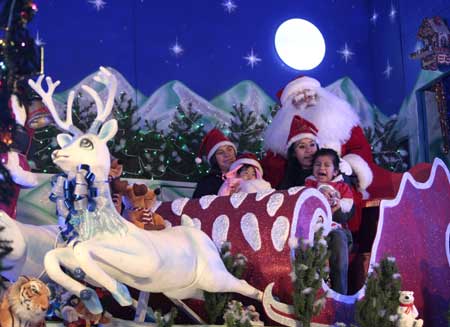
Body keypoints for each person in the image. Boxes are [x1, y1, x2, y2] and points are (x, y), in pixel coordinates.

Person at [262, 76, 373, 197]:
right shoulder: (282, 135)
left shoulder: (343, 122)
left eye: (310, 95)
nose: (307, 100)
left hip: (340, 186)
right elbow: (272, 170)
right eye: (300, 99)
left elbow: (360, 148)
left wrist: (349, 164)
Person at [278, 117, 353, 295]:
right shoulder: (293, 178)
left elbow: (349, 210)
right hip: (304, 232)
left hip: (335, 229)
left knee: (337, 241)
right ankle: (305, 295)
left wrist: (333, 211)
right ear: (293, 152)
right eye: (301, 147)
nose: (308, 151)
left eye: (311, 145)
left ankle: (339, 295)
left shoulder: (338, 178)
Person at [192, 128, 237, 198]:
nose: (227, 155)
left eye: (229, 149)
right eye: (220, 153)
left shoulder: (248, 174)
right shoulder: (206, 184)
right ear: (214, 159)